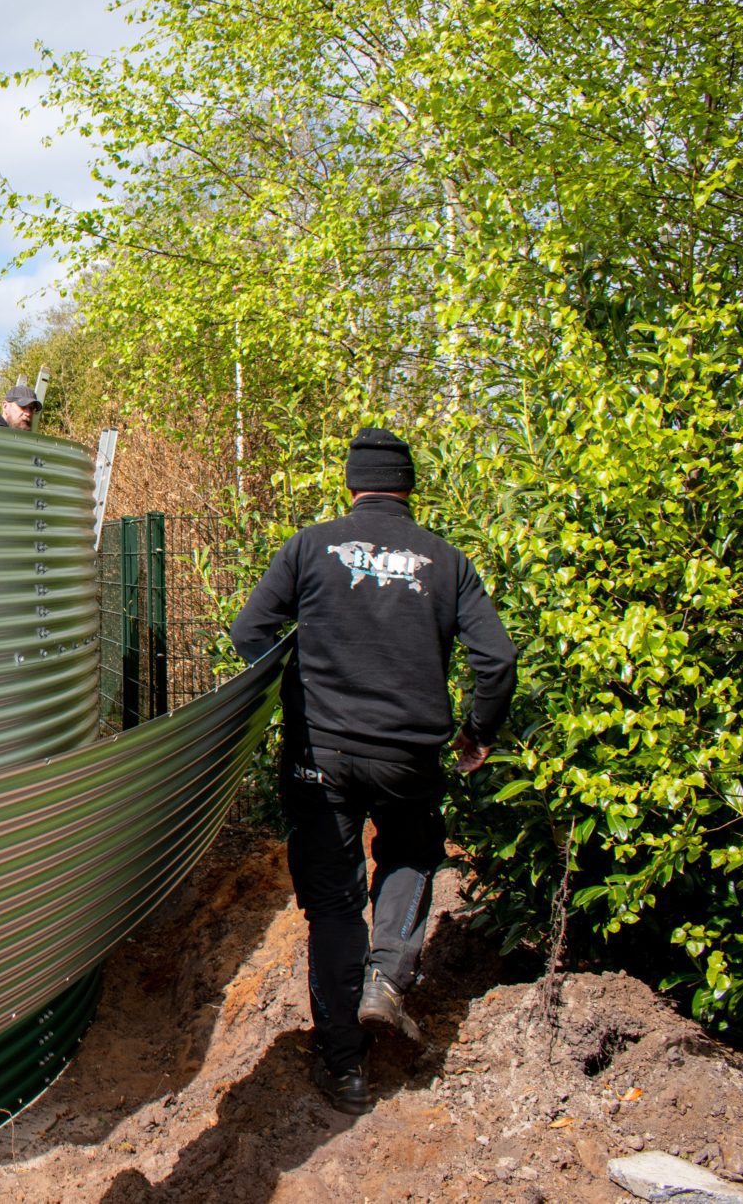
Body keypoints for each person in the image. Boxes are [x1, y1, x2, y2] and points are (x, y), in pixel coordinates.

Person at [230, 427, 517, 1116]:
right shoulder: (447, 562)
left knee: (331, 904)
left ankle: (344, 1068)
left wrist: (294, 695)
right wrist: (476, 733)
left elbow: (249, 632)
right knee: (412, 854)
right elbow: (498, 660)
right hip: (409, 754)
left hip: (318, 757)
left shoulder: (308, 547)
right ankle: (386, 976)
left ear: (350, 484)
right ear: (410, 488)